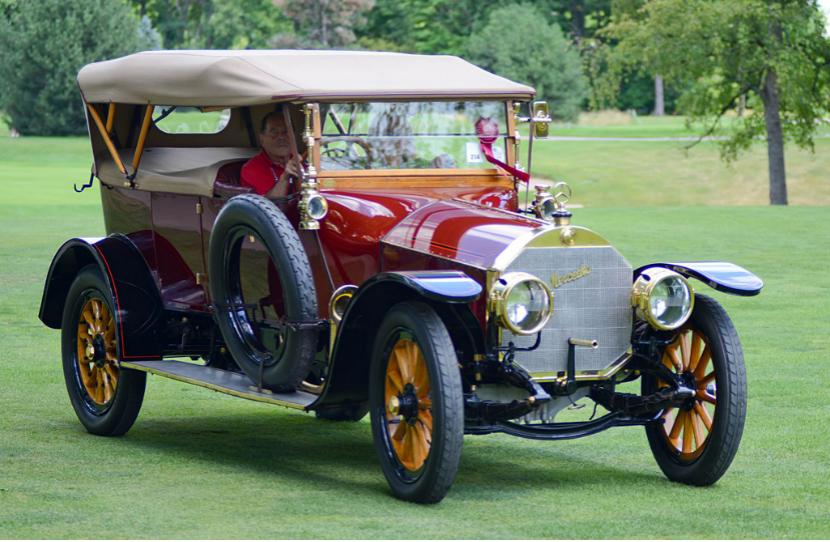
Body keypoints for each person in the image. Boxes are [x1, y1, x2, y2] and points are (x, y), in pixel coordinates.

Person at [240, 110, 303, 198]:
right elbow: (266, 208)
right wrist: (284, 178)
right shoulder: (252, 169)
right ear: (262, 139)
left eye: (286, 132)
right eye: (274, 133)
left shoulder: (302, 161)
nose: (281, 137)